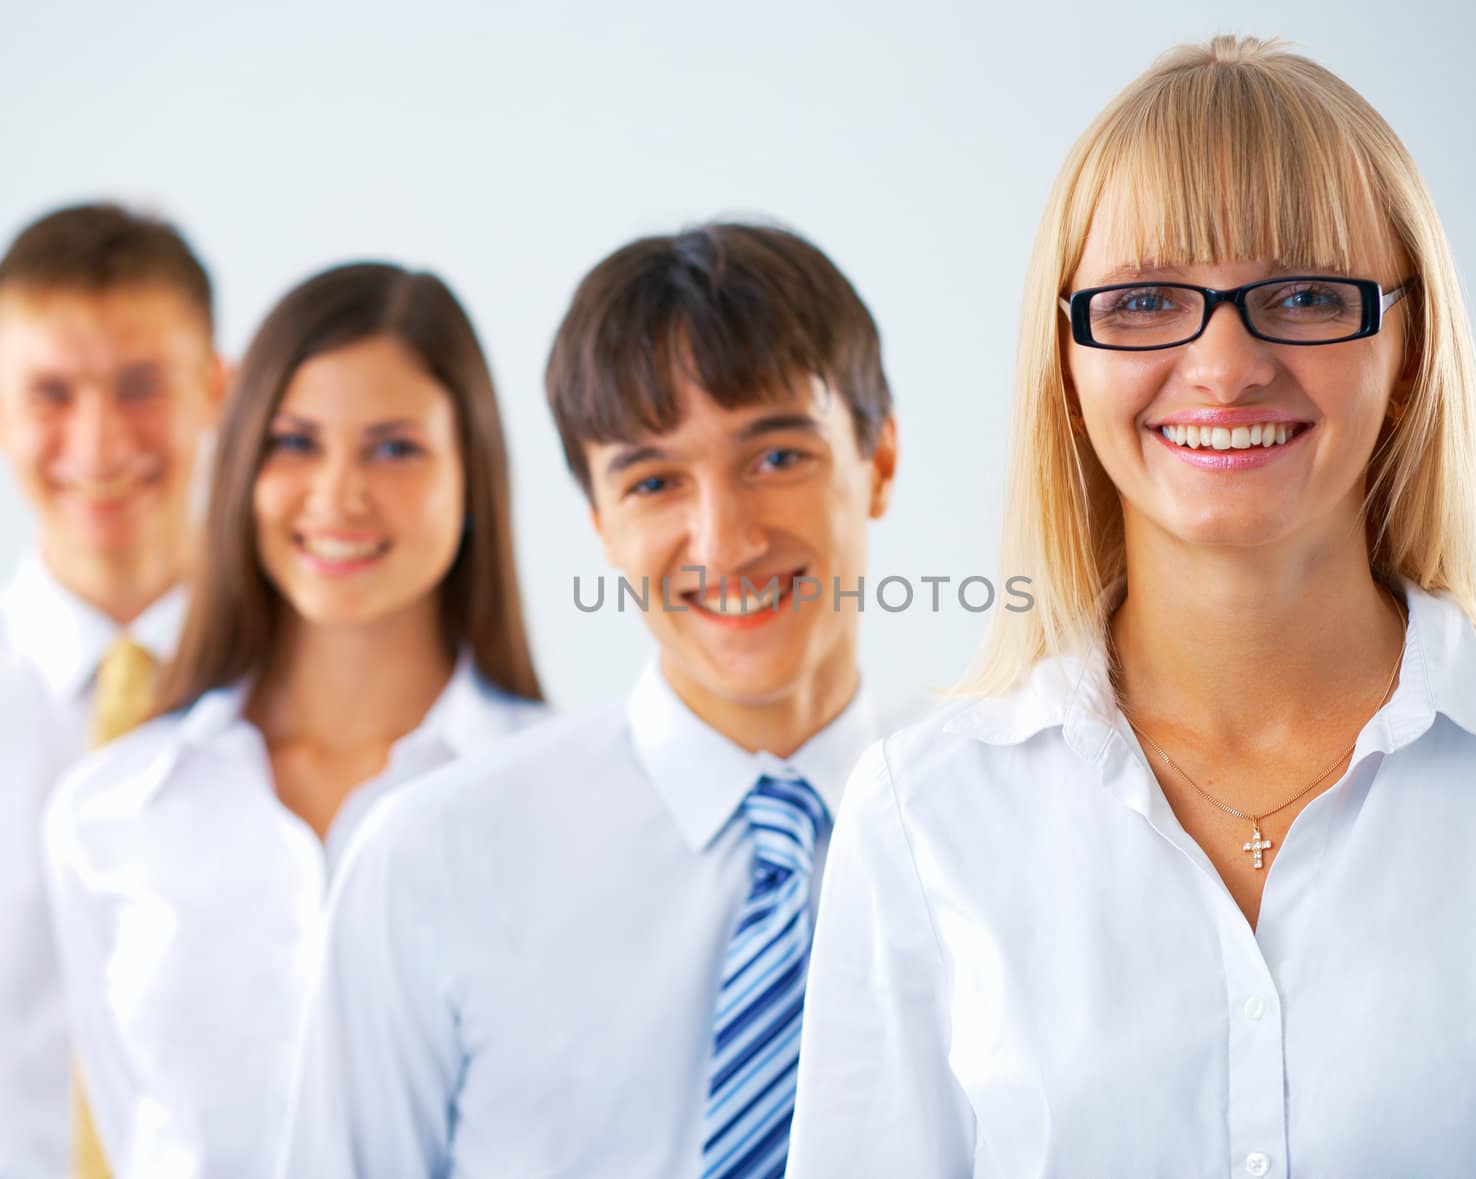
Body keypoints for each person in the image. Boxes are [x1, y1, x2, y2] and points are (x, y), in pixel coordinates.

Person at [787, 35, 1476, 1178]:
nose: (1224, 367)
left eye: (1307, 294)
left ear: (1409, 349)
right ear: (1067, 370)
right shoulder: (923, 817)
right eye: (1144, 301)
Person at [281, 222, 900, 1178]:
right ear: (602, 526)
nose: (722, 540)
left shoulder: (989, 834)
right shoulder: (429, 861)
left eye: (776, 458)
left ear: (881, 461)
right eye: (653, 481)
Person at [43, 261, 547, 1179]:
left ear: (473, 475)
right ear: (239, 466)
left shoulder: (565, 798)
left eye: (394, 447)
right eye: (295, 443)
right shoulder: (111, 811)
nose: (339, 494)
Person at [0, 202, 225, 1178]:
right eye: (51, 393)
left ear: (215, 389)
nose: (97, 443)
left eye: (141, 386)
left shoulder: (321, 694)